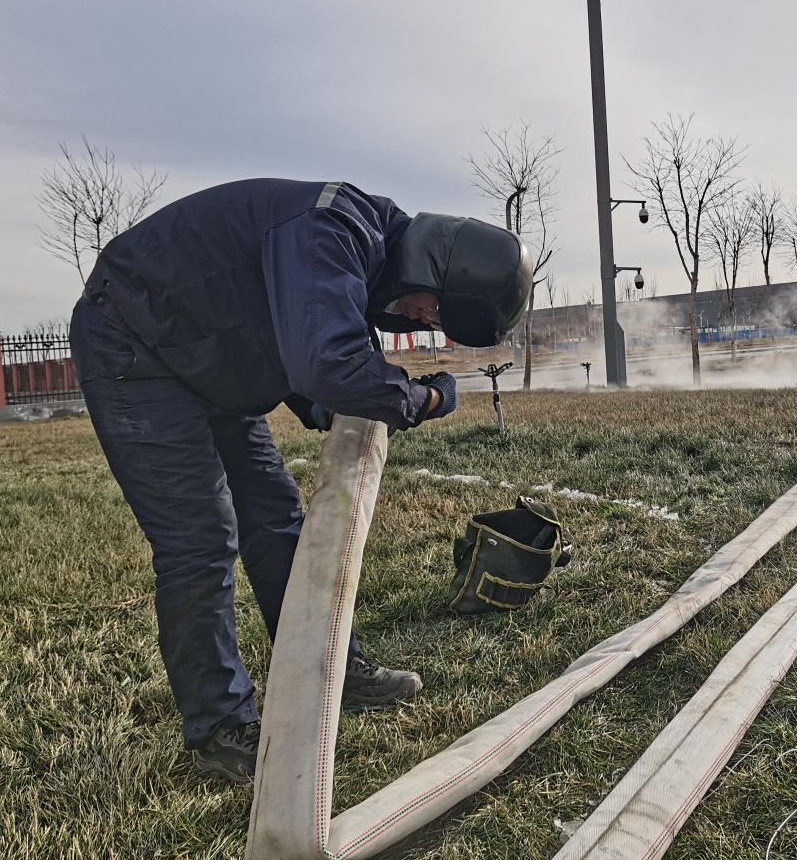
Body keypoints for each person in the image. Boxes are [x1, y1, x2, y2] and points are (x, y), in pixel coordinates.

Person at [69, 179, 533, 785]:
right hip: (134, 340)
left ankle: (331, 668)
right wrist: (421, 398)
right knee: (200, 540)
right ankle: (219, 726)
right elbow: (331, 365)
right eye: (434, 307)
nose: (421, 320)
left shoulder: (356, 260)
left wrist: (340, 402)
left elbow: (296, 357)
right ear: (433, 263)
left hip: (206, 352)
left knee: (276, 520)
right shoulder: (333, 232)